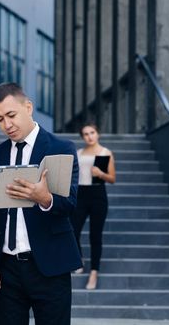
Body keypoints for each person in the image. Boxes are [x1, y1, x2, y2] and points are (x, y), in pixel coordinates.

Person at [0, 83, 82, 325]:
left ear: (29, 107)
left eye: (11, 115)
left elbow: (70, 204)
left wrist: (44, 198)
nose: (7, 125)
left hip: (51, 266)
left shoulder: (61, 148)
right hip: (6, 270)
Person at [70, 123, 116, 290]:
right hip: (81, 195)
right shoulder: (79, 153)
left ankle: (94, 273)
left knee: (95, 236)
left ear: (98, 134)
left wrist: (101, 174)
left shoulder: (105, 153)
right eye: (86, 133)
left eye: (92, 132)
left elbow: (112, 178)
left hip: (98, 195)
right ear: (82, 137)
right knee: (73, 229)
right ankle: (79, 259)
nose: (89, 136)